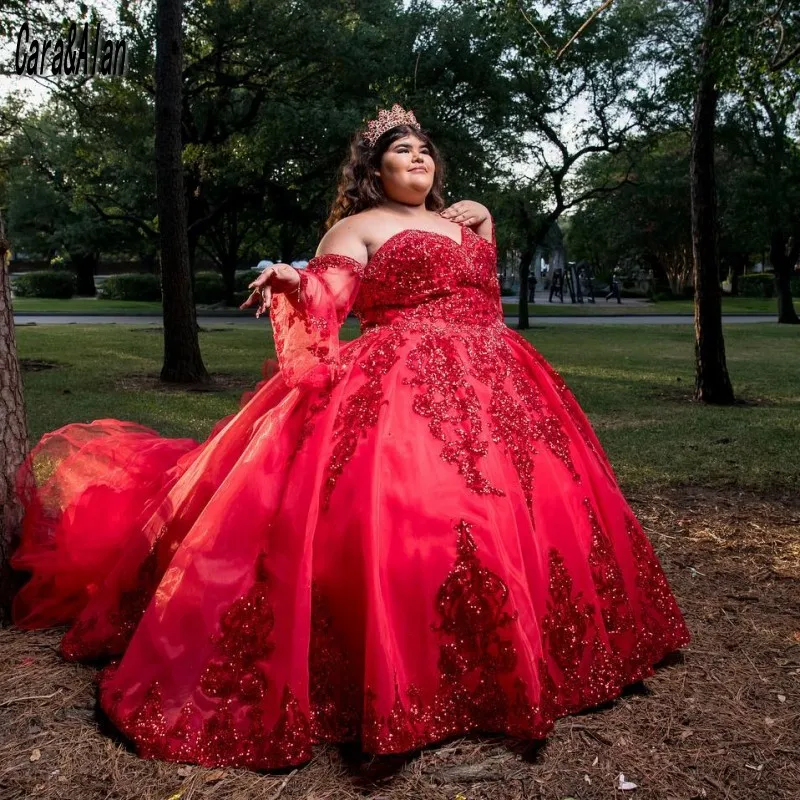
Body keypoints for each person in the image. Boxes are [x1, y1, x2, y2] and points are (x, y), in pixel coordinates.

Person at [10, 103, 691, 771]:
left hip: (501, 385)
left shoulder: (468, 222)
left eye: (425, 148)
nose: (417, 156)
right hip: (404, 390)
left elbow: (484, 295)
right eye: (401, 149)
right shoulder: (356, 226)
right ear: (375, 168)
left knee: (531, 516)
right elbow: (330, 288)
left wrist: (485, 217)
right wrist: (293, 279)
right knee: (414, 519)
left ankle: (526, 658)